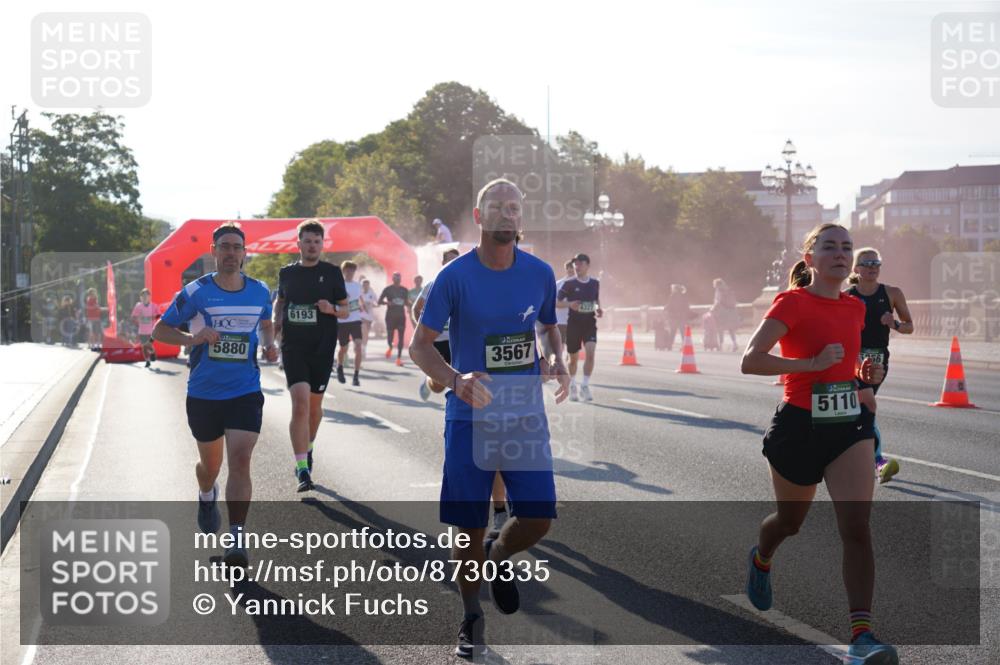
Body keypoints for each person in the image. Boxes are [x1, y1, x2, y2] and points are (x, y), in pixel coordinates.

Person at [409, 178, 570, 659]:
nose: (507, 214)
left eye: (514, 208)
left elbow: (548, 326)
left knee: (538, 518)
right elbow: (420, 346)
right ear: (479, 217)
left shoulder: (539, 273)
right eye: (497, 207)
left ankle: (499, 555)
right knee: (468, 526)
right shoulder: (454, 277)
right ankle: (470, 615)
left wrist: (556, 358)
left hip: (524, 415)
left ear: (522, 217)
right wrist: (455, 379)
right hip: (470, 417)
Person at [740, 222, 897, 664]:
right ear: (810, 258)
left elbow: (845, 363)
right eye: (830, 247)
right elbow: (750, 361)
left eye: (847, 247)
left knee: (857, 527)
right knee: (790, 523)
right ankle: (762, 557)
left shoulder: (854, 308)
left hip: (848, 425)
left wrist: (863, 377)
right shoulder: (792, 302)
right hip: (799, 427)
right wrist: (809, 363)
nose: (841, 253)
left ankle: (862, 636)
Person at [153, 222, 278, 568]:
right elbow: (160, 330)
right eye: (224, 247)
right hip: (204, 393)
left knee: (240, 460)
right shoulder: (196, 292)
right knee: (210, 466)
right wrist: (193, 339)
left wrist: (269, 345)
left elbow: (266, 324)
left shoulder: (260, 291)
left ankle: (236, 538)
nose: (231, 253)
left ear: (244, 253)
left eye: (237, 247)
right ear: (213, 251)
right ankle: (206, 493)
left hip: (245, 390)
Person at [272, 220, 349, 492]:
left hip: (322, 349)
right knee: (300, 405)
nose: (312, 246)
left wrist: (331, 309)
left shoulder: (332, 273)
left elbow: (345, 310)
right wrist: (276, 323)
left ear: (322, 244)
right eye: (307, 241)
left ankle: (309, 446)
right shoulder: (287, 273)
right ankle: (302, 469)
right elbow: (281, 301)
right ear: (299, 244)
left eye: (317, 241)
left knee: (314, 409)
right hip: (294, 348)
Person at [847, 248, 913, 484]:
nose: (872, 267)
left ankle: (872, 460)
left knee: (863, 406)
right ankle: (874, 461)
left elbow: (909, 326)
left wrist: (893, 323)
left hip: (878, 360)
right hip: (853, 359)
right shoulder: (847, 296)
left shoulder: (892, 293)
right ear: (856, 269)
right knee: (862, 407)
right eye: (866, 264)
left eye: (876, 263)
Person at [412, 248, 460, 401]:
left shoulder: (464, 285)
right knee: (438, 386)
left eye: (455, 260)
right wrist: (423, 332)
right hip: (438, 341)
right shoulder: (433, 285)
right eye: (449, 260)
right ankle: (428, 382)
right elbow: (416, 309)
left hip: (457, 341)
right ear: (443, 262)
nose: (452, 263)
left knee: (462, 377)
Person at [558, 253, 602, 402]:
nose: (577, 267)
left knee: (591, 353)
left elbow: (596, 300)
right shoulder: (569, 284)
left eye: (580, 264)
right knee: (573, 359)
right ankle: (572, 384)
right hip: (574, 324)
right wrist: (570, 304)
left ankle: (585, 384)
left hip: (590, 323)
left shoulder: (595, 283)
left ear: (587, 265)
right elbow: (556, 303)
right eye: (575, 264)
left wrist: (598, 309)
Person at [336, 261, 366, 387]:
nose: (350, 272)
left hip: (355, 320)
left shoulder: (357, 285)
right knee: (344, 348)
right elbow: (334, 301)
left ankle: (356, 376)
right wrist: (343, 300)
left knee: (358, 346)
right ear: (344, 271)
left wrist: (361, 306)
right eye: (348, 270)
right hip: (342, 320)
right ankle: (339, 367)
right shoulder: (339, 285)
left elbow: (359, 299)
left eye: (352, 270)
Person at [379, 272, 411, 366]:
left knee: (401, 337)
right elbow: (379, 301)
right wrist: (387, 303)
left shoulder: (404, 290)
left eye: (399, 278)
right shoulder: (388, 289)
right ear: (393, 279)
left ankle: (399, 358)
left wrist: (411, 305)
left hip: (401, 316)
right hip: (390, 316)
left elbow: (406, 302)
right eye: (395, 278)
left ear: (401, 279)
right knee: (390, 337)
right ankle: (390, 346)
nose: (397, 280)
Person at [131, 288, 160, 368]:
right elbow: (133, 316)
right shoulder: (138, 306)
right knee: (144, 346)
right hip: (142, 331)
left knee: (148, 344)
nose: (144, 297)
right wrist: (137, 319)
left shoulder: (154, 306)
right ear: (140, 297)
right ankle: (147, 361)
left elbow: (159, 315)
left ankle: (152, 352)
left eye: (146, 296)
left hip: (152, 331)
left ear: (149, 297)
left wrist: (153, 317)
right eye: (143, 296)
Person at [711, 277, 739, 352]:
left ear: (717, 285)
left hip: (722, 312)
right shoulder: (728, 289)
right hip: (731, 312)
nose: (714, 287)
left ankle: (721, 345)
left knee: (720, 329)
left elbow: (718, 301)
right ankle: (735, 344)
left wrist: (712, 309)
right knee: (731, 329)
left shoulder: (719, 291)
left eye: (715, 285)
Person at [664, 284, 691, 351]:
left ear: (675, 289)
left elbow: (669, 305)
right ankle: (685, 346)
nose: (671, 290)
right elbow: (687, 306)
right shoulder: (684, 296)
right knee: (683, 332)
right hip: (682, 317)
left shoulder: (673, 296)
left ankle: (669, 345)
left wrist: (665, 308)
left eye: (672, 288)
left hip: (674, 317)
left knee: (672, 331)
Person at [359, 278, 378, 357]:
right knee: (364, 331)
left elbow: (377, 303)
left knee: (366, 334)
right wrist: (360, 306)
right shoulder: (359, 293)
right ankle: (360, 348)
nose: (365, 286)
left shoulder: (372, 293)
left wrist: (371, 305)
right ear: (362, 285)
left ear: (369, 285)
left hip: (369, 316)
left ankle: (364, 348)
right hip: (360, 316)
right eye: (364, 285)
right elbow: (354, 303)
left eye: (367, 285)